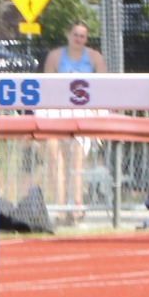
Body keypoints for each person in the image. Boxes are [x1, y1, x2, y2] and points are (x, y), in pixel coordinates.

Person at [41, 19, 105, 227]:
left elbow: (103, 87)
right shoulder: (55, 56)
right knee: (56, 162)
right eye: (75, 35)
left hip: (82, 112)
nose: (78, 39)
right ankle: (61, 210)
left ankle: (76, 207)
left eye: (82, 36)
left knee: (76, 163)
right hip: (56, 111)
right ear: (68, 35)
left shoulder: (94, 57)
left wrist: (98, 116)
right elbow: (47, 87)